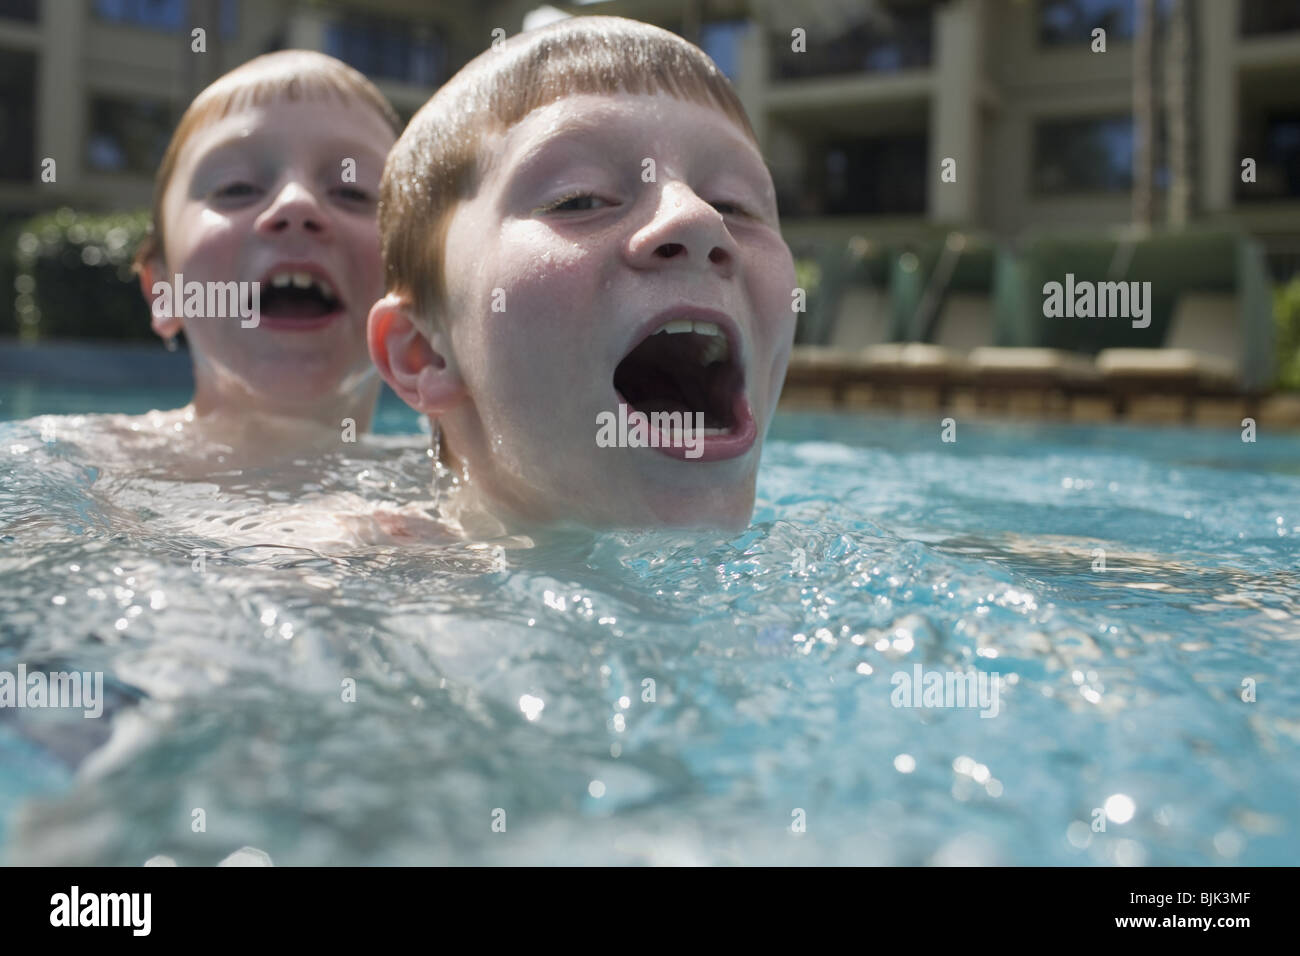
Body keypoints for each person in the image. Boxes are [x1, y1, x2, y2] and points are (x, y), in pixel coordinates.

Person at [367, 16, 797, 532]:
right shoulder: (323, 580)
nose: (699, 219)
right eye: (580, 199)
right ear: (423, 353)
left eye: (735, 205)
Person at [128, 49, 401, 468]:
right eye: (235, 186)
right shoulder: (81, 465)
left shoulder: (467, 494)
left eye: (354, 190)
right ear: (163, 294)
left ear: (420, 290)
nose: (296, 204)